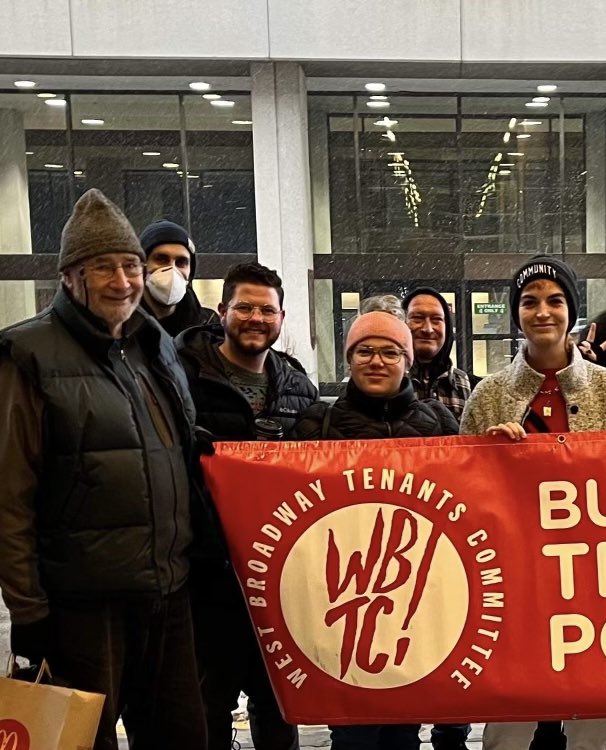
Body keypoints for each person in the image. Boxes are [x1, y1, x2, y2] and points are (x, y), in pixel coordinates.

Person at [0, 189, 205, 750]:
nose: (123, 282)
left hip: (168, 589)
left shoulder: (152, 345)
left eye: (131, 266)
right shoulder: (28, 355)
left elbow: (175, 448)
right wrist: (29, 609)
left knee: (182, 735)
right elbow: (8, 496)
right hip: (82, 604)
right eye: (103, 268)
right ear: (71, 277)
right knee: (78, 740)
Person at [460, 256, 606, 750]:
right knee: (511, 714)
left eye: (555, 300)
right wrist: (492, 458)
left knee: (593, 709)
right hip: (514, 575)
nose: (543, 311)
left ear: (572, 311)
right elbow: (463, 489)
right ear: (515, 312)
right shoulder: (489, 395)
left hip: (593, 573)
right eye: (530, 301)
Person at [294, 311, 457, 750]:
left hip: (413, 602)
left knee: (406, 726)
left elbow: (468, 500)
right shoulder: (315, 423)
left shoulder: (439, 423)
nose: (376, 361)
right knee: (351, 728)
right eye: (364, 350)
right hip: (341, 598)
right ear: (349, 359)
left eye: (390, 352)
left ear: (407, 360)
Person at [176, 261, 318, 750]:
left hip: (279, 576)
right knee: (207, 706)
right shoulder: (181, 379)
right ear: (222, 311)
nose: (256, 318)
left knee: (279, 704)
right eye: (245, 307)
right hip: (207, 575)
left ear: (282, 317)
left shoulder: (299, 386)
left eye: (267, 309)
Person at [404, 288, 474, 422]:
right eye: (417, 318)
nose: (428, 329)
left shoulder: (472, 387)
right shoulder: (388, 384)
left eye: (436, 320)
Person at [138, 219, 218, 336]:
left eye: (181, 262)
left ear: (190, 273)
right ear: (141, 266)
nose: (172, 269)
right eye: (161, 259)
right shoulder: (119, 327)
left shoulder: (208, 326)